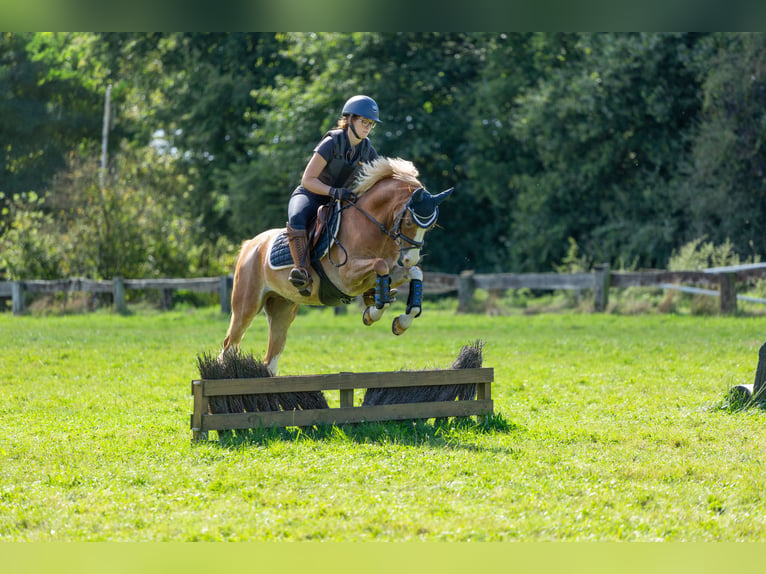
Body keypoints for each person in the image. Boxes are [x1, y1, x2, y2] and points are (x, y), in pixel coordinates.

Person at [286, 94, 382, 294]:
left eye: (371, 124)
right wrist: (334, 191)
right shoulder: (331, 142)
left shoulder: (368, 150)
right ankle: (301, 271)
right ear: (349, 119)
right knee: (297, 216)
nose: (367, 127)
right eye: (364, 121)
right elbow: (308, 179)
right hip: (311, 194)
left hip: (340, 200)